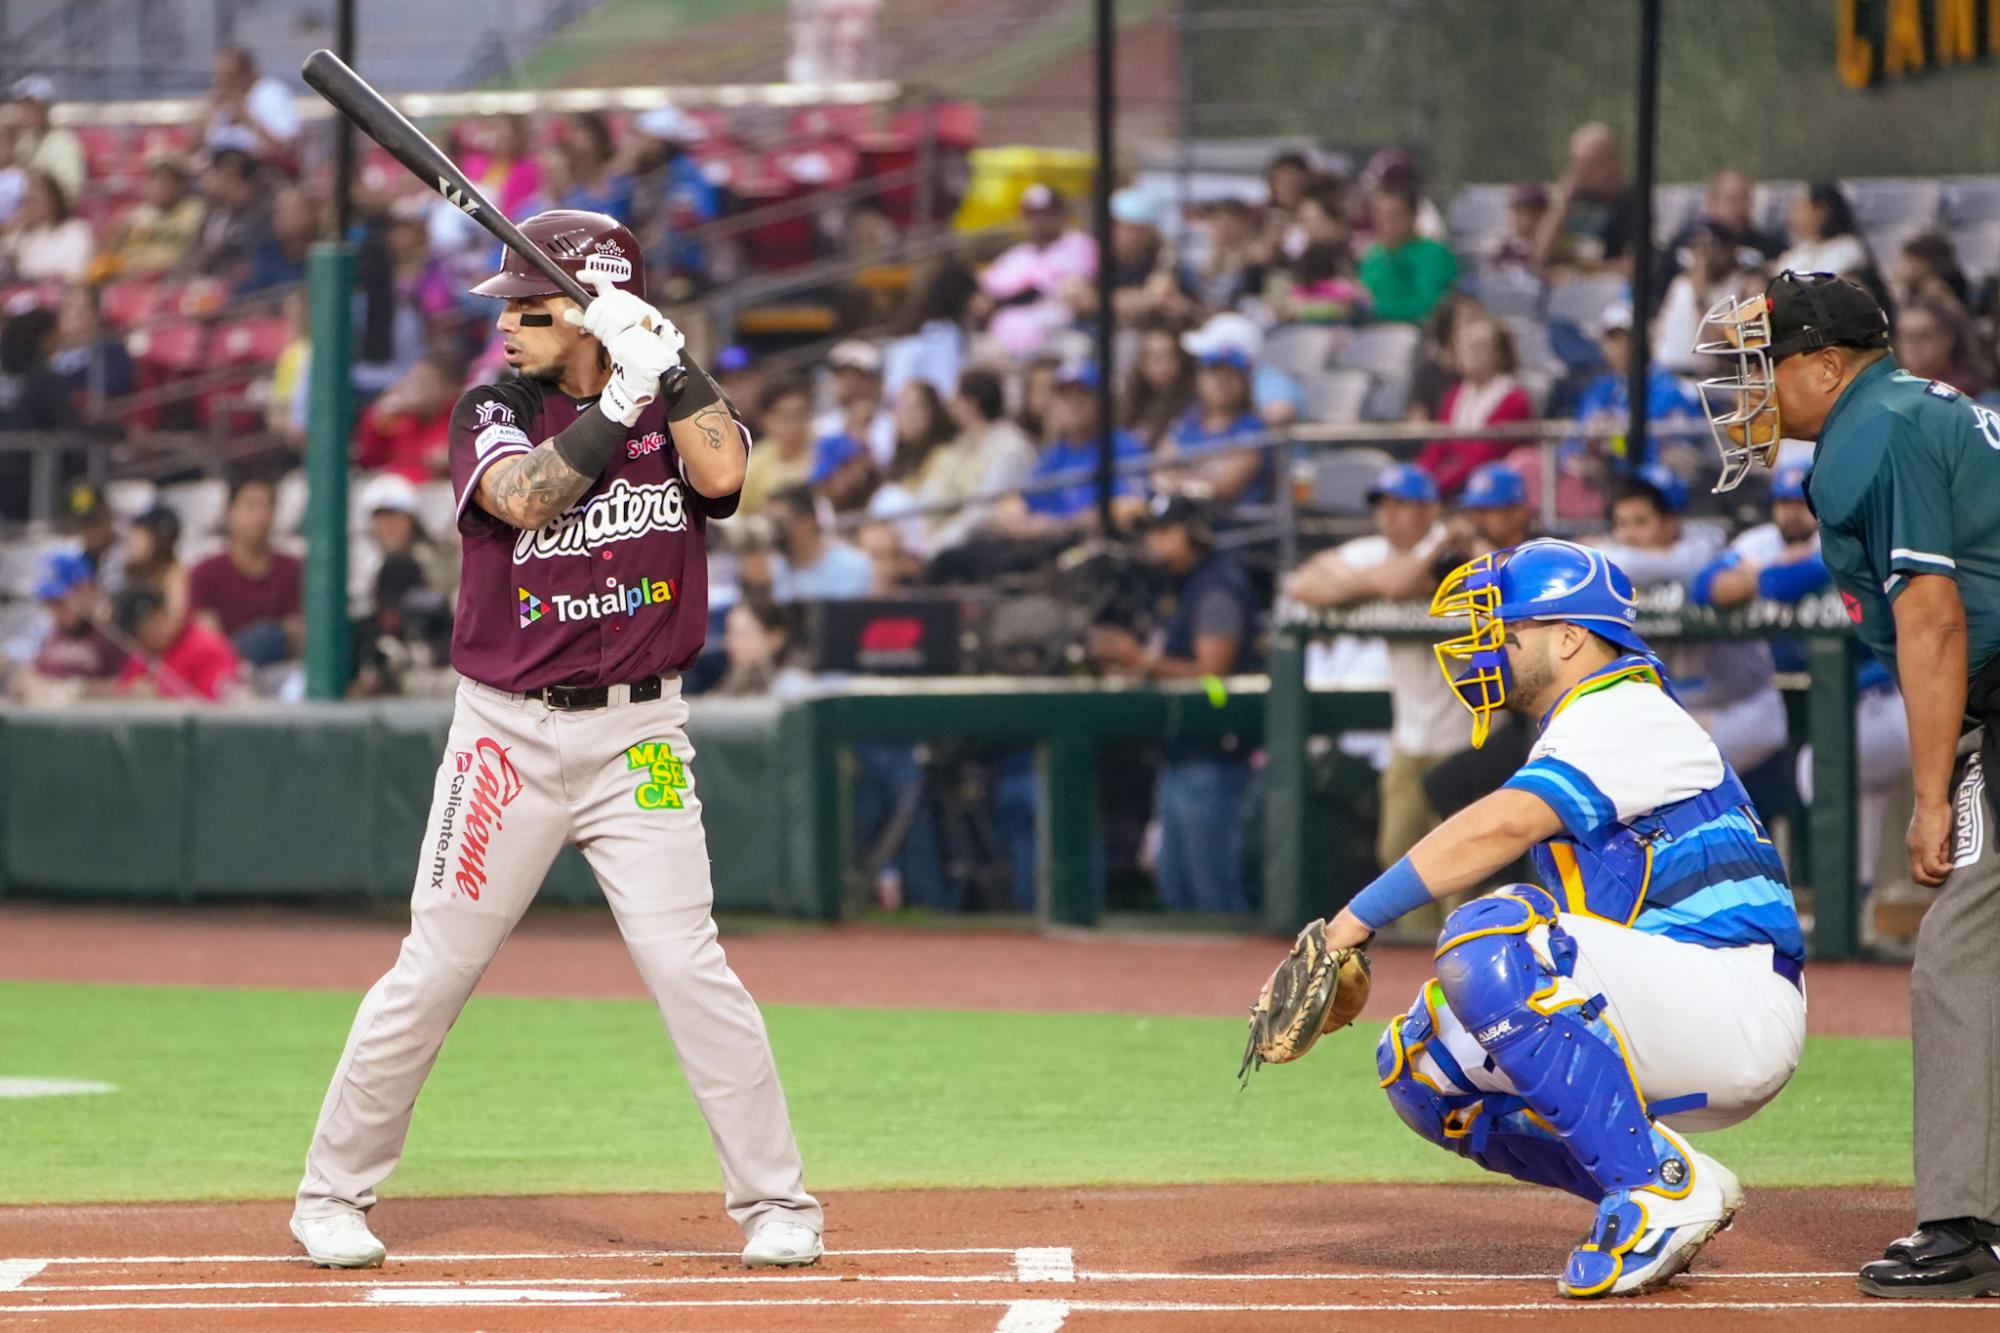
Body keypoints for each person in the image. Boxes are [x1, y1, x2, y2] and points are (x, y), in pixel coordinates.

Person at [289, 208, 821, 1273]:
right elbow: (521, 498)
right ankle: (329, 1193)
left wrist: (664, 373)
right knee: (435, 968)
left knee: (689, 964)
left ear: (593, 312)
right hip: (507, 737)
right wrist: (614, 398)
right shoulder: (495, 403)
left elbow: (721, 476)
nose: (509, 327)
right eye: (510, 309)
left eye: (533, 311)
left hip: (642, 737)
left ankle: (777, 1203)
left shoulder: (662, 381)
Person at [1274, 537, 1803, 1297]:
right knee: (1421, 1067)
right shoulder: (1585, 716)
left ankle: (1653, 1192)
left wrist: (1349, 922)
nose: (1487, 647)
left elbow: (1500, 826)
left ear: (1570, 636)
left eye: (1507, 629)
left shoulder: (1623, 707)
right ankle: (1666, 1172)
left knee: (1494, 936)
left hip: (1732, 999)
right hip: (1674, 998)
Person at [1695, 269, 2000, 1298]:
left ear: (1824, 364)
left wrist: (1925, 794)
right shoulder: (1914, 411)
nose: (1748, 389)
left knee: (1959, 958)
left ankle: (1964, 1227)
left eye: (1764, 364)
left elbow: (1931, 615)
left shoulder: (1871, 431)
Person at [1691, 463, 1910, 895]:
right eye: (1784, 503)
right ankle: (1854, 908)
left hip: (1897, 697)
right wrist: (1768, 572)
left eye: (1802, 504)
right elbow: (1704, 588)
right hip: (1847, 705)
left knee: (1824, 767)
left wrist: (1766, 574)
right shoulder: (1761, 542)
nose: (1792, 514)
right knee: (1854, 788)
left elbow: (1785, 582)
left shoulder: (1850, 534)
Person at [1283, 464, 1461, 878]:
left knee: (1455, 863)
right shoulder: (1376, 553)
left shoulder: (1452, 548)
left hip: (1465, 733)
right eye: (1383, 505)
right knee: (1397, 855)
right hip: (1409, 735)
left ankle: (1456, 943)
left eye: (1402, 504)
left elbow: (1401, 585)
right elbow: (1303, 582)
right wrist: (1373, 582)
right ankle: (1419, 943)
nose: (1390, 515)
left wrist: (1365, 584)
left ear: (1430, 509)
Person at [1090, 495, 1261, 913]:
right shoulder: (1178, 588)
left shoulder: (1218, 586)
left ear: (1196, 534)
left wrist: (1139, 660)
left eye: (1166, 532)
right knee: (1176, 887)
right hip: (1179, 759)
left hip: (1215, 758)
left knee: (1213, 890)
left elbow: (1212, 674)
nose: (1154, 543)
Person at [1597, 466, 1781, 779]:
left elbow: (1688, 564)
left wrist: (1608, 557)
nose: (1628, 535)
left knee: (1669, 771)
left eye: (1641, 522)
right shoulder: (1618, 568)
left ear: (1671, 522)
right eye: (1621, 524)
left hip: (1740, 709)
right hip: (1677, 716)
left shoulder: (1709, 552)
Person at [996, 362, 1147, 537]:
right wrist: (1014, 516)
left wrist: (1061, 525)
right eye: (1065, 397)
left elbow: (1131, 510)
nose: (1074, 405)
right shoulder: (1056, 453)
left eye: (1083, 396)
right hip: (1047, 545)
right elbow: (1017, 499)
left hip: (1098, 544)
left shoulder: (1123, 446)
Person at [911, 367, 1037, 554]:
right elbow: (936, 495)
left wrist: (938, 543)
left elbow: (984, 510)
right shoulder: (961, 445)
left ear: (972, 404)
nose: (952, 405)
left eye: (957, 398)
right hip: (946, 537)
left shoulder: (1010, 447)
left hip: (987, 541)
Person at [188, 476, 304, 668]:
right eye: (251, 505)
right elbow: (207, 634)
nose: (261, 515)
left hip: (279, 665)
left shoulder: (292, 568)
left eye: (268, 506)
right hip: (225, 667)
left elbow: (297, 629)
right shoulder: (205, 572)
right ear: (230, 513)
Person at [1413, 314, 1532, 498]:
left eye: (1478, 347)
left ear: (1499, 354)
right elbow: (1439, 445)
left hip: (1491, 490)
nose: (1469, 353)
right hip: (1451, 484)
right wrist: (1419, 479)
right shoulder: (1454, 394)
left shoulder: (1513, 398)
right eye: (1464, 346)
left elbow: (1485, 456)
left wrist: (1436, 485)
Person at [977, 184, 1096, 357]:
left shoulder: (1079, 244)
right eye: (1032, 214)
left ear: (1062, 214)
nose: (1039, 220)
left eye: (1047, 213)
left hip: (1060, 335)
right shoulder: (1015, 256)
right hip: (1008, 342)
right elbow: (984, 298)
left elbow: (1078, 293)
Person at [1159, 345, 1272, 507]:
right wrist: (1200, 480)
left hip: (1232, 524)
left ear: (1245, 382)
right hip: (1181, 513)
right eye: (1213, 374)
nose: (1221, 382)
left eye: (1230, 375)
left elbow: (1226, 486)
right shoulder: (1186, 421)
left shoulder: (1252, 428)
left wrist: (1177, 482)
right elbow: (1158, 470)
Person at [8, 550, 123, 703]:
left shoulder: (112, 633)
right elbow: (29, 675)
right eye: (49, 604)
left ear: (86, 590)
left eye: (60, 602)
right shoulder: (51, 634)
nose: (55, 611)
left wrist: (80, 689)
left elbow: (139, 687)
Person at [1533, 121, 1636, 274]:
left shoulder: (1631, 202)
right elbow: (1538, 258)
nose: (1580, 171)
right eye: (1577, 163)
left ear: (1614, 162)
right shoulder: (1568, 201)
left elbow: (1635, 265)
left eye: (1590, 163)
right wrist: (1561, 208)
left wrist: (1580, 272)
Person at [113, 585, 242, 702]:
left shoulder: (208, 647)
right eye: (141, 633)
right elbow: (124, 688)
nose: (155, 630)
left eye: (156, 620)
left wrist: (162, 697)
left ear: (164, 614)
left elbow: (218, 706)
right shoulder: (145, 654)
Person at [1357, 184, 1459, 324]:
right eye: (1378, 214)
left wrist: (1373, 308)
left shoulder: (1434, 254)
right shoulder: (1373, 256)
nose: (1385, 222)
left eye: (1394, 215)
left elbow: (1429, 306)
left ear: (1413, 215)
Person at [353, 353, 461, 482]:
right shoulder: (399, 417)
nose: (418, 390)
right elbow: (368, 459)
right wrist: (377, 417)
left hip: (439, 490)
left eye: (426, 384)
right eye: (415, 381)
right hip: (395, 487)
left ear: (449, 389)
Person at [102, 152, 206, 277]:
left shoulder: (197, 211)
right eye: (156, 178)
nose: (163, 184)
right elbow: (105, 256)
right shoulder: (131, 215)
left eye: (171, 179)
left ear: (182, 184)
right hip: (131, 280)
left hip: (176, 280)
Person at [764, 484, 873, 602]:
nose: (774, 531)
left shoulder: (853, 567)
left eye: (780, 523)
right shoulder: (770, 570)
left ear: (808, 522)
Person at [190, 149, 274, 288]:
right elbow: (196, 254)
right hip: (205, 288)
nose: (205, 180)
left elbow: (251, 264)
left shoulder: (264, 213)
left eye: (211, 173)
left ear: (230, 174)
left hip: (246, 295)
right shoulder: (216, 213)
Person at [201, 47, 300, 163]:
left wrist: (247, 119)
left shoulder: (270, 92)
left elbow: (286, 146)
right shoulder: (221, 100)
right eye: (218, 75)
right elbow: (199, 146)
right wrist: (209, 111)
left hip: (258, 167)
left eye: (229, 75)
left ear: (246, 72)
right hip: (219, 163)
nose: (224, 82)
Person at [738, 376, 816, 517]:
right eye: (787, 417)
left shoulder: (823, 447)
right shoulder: (753, 465)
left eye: (801, 414)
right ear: (766, 420)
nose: (795, 424)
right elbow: (737, 516)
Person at [0, 170, 92, 284]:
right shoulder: (16, 235)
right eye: (22, 201)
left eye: (32, 201)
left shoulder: (76, 231)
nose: (25, 207)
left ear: (52, 202)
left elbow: (76, 274)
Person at [7, 78, 84, 201]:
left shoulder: (62, 141)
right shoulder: (21, 138)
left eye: (34, 105)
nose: (27, 110)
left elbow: (71, 189)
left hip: (51, 212)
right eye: (24, 105)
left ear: (46, 108)